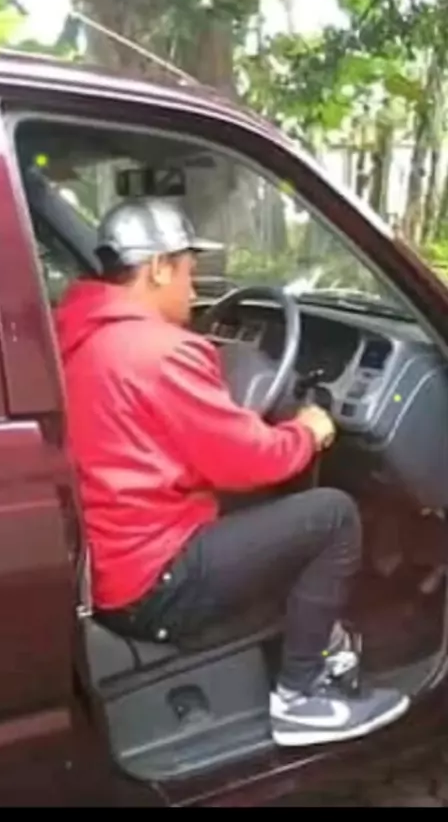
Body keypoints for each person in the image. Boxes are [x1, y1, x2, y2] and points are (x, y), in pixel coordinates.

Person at [56, 196, 409, 747]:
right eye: (188, 271)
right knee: (334, 515)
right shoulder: (161, 350)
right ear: (158, 268)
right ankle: (303, 696)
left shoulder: (78, 334)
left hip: (109, 567)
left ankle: (315, 643)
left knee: (272, 515)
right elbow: (254, 462)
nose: (193, 289)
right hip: (155, 583)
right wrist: (309, 429)